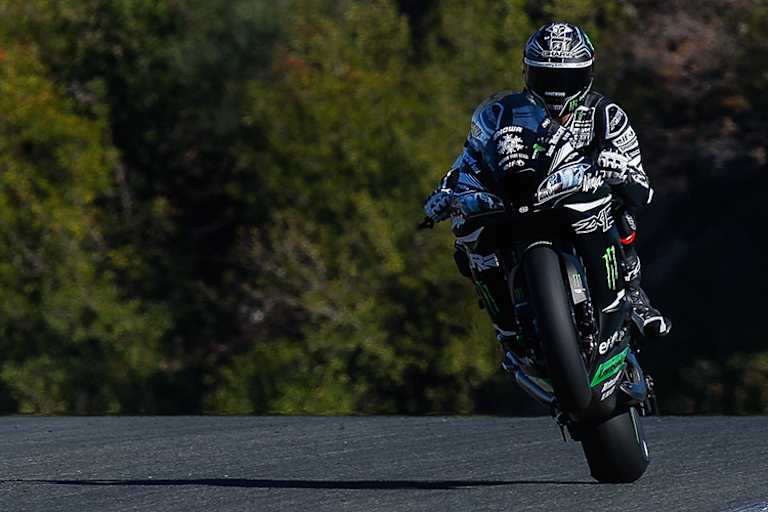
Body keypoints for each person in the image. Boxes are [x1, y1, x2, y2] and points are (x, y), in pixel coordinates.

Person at [424, 22, 670, 344]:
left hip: (580, 199)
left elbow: (641, 187)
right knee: (465, 238)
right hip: (519, 200)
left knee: (622, 213)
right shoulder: (505, 114)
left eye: (567, 78)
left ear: (587, 74)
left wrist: (620, 170)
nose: (557, 90)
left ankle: (634, 294)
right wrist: (446, 190)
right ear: (527, 73)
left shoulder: (607, 116)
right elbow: (469, 157)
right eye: (547, 77)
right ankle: (506, 324)